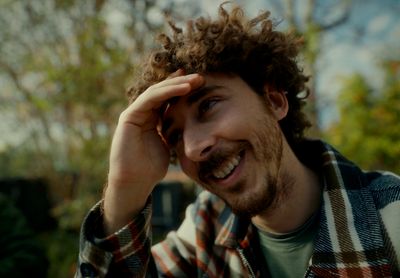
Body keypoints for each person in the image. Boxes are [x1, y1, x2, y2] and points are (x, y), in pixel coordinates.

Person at [76, 3, 400, 277]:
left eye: (208, 106)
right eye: (175, 136)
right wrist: (125, 188)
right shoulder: (205, 227)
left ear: (274, 101)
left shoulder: (392, 217)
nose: (193, 148)